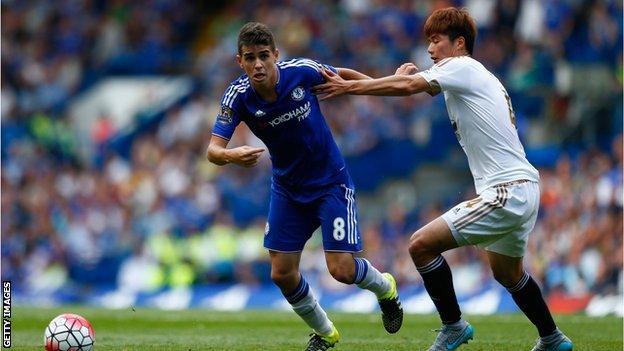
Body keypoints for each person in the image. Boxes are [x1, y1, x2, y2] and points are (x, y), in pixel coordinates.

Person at [313, 7, 573, 351]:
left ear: (459, 43)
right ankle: (552, 338)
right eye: (427, 42)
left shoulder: (461, 66)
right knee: (508, 274)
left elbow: (408, 86)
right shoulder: (468, 75)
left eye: (436, 40)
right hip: (523, 188)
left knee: (420, 245)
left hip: (507, 191)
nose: (430, 49)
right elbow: (409, 87)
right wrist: (365, 81)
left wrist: (351, 88)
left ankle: (453, 326)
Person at [207, 22, 403, 351]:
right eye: (250, 58)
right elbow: (212, 151)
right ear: (239, 61)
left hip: (331, 183)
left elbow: (343, 76)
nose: (258, 64)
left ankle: (386, 289)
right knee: (282, 274)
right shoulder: (237, 96)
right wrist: (230, 155)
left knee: (340, 270)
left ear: (276, 56)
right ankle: (326, 333)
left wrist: (388, 84)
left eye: (264, 56)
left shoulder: (302, 71)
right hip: (288, 190)